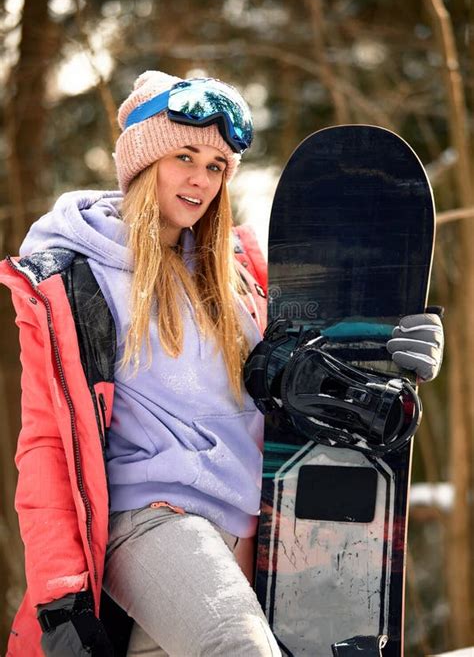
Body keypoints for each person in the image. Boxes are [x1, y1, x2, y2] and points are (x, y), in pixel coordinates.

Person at [0, 70, 444, 657]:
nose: (200, 179)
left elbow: (306, 365)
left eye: (215, 165)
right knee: (238, 647)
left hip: (249, 528)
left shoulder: (235, 272)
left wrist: (392, 342)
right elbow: (47, 447)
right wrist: (61, 595)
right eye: (184, 155)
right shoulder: (74, 276)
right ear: (141, 161)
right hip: (151, 518)